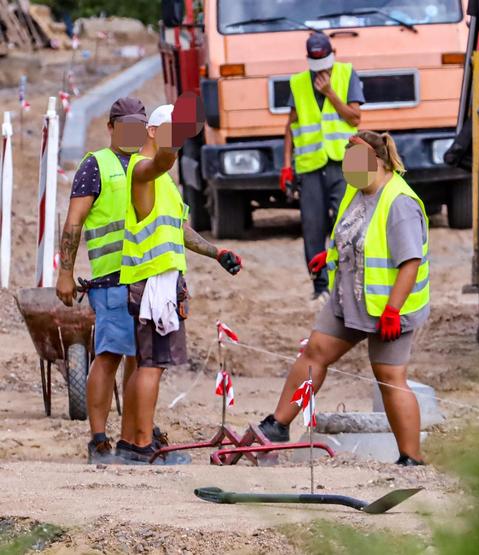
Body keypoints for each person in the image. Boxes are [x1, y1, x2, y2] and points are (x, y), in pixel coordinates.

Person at [261, 130, 430, 466]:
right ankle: (278, 425)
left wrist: (393, 310)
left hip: (389, 308)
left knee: (389, 378)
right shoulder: (357, 192)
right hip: (348, 299)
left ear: (379, 162)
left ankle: (411, 458)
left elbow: (410, 263)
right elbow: (352, 235)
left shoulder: (399, 203)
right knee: (314, 353)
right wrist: (330, 257)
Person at [115, 102, 243, 464]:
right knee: (152, 364)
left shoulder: (164, 183)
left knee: (147, 362)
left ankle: (132, 440)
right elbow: (163, 160)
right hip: (153, 283)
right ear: (153, 132)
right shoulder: (145, 169)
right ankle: (141, 445)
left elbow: (179, 229)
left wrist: (216, 253)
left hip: (163, 281)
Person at [56, 97, 160, 464]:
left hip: (148, 278)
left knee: (141, 357)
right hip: (112, 280)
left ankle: (134, 432)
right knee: (110, 356)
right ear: (112, 128)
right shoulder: (95, 165)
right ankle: (99, 439)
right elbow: (74, 221)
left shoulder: (148, 165)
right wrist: (65, 272)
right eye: (126, 126)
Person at [281, 32, 365, 304]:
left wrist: (330, 93)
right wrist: (286, 166)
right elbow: (290, 127)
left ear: (334, 53)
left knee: (346, 224)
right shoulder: (297, 83)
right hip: (310, 167)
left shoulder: (346, 74)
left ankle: (345, 281)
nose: (322, 70)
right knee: (313, 227)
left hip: (343, 165)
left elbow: (354, 119)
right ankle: (320, 287)